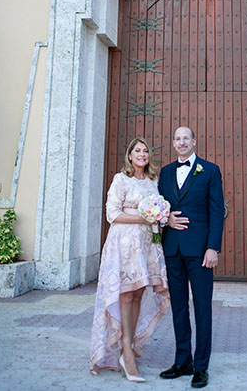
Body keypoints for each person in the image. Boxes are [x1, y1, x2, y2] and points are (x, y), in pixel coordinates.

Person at [90, 137, 170, 382]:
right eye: (137, 150)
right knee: (125, 295)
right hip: (123, 244)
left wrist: (159, 216)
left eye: (145, 151)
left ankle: (131, 342)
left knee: (138, 293)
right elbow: (112, 214)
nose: (142, 154)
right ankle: (126, 352)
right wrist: (144, 218)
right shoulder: (120, 179)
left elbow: (158, 211)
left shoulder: (154, 181)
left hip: (146, 244)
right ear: (130, 155)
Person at [158, 126, 224, 389]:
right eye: (177, 138)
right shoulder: (164, 173)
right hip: (172, 249)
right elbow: (159, 207)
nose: (182, 142)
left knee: (203, 308)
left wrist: (213, 248)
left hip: (200, 252)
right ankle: (182, 361)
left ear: (194, 142)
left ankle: (202, 367)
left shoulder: (209, 170)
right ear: (173, 144)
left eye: (186, 138)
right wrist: (167, 219)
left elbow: (217, 211)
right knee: (178, 308)